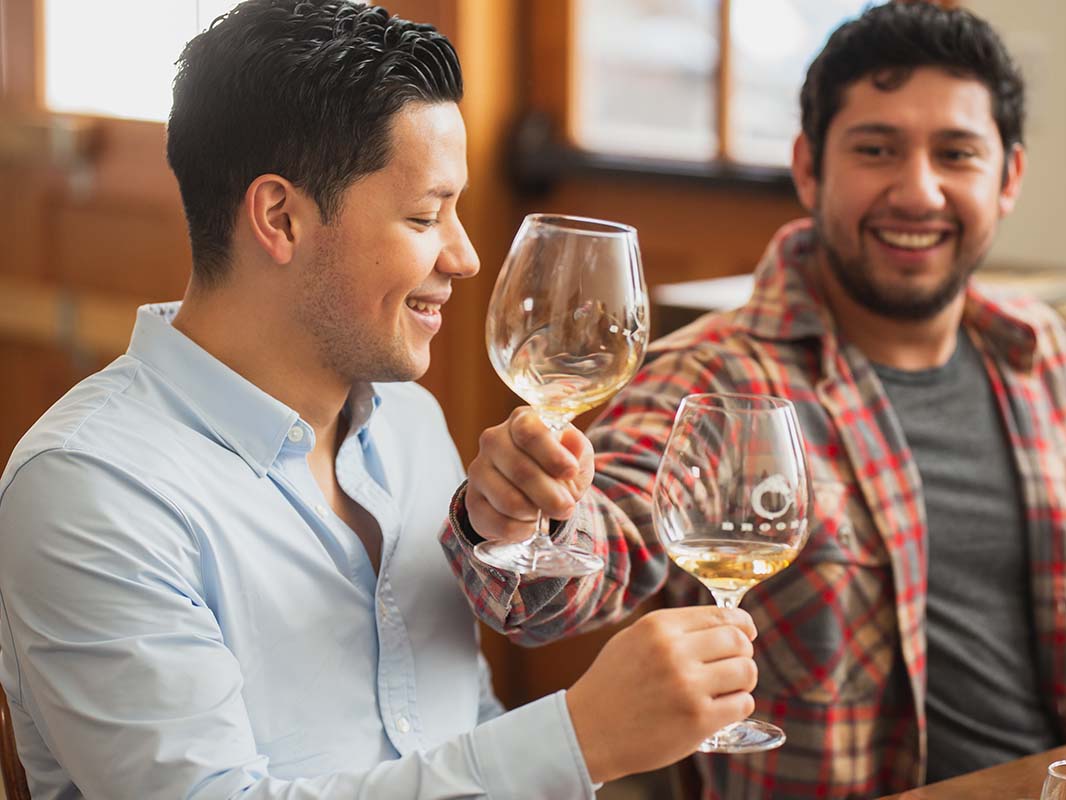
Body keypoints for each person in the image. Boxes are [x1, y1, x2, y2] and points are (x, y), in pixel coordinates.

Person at [0, 1, 763, 797]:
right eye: (426, 215)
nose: (465, 256)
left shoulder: (408, 422)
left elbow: (456, 724)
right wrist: (582, 739)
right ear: (281, 217)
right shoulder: (90, 491)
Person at [441, 2, 1066, 798]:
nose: (918, 191)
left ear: (1009, 179)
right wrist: (523, 514)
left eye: (957, 154)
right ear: (808, 167)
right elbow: (594, 552)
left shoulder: (1042, 354)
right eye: (877, 149)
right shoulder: (714, 377)